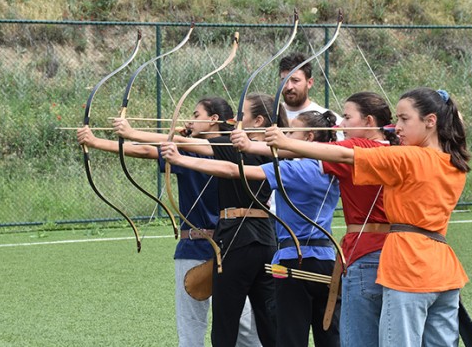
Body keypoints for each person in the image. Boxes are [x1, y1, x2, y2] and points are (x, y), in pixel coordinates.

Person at [260, 87, 470, 347]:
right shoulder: (454, 162)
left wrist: (287, 142)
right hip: (444, 269)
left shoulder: (409, 157)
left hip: (409, 267)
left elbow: (347, 154)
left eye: (405, 119)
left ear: (431, 121)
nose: (397, 127)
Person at [78, 96, 261, 347]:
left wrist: (96, 141)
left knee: (201, 329)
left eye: (196, 115)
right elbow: (151, 148)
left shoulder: (201, 149)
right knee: (243, 329)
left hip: (214, 246)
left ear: (214, 120)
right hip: (228, 245)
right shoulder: (239, 151)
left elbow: (146, 149)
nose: (190, 119)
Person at [161, 110, 342, 347]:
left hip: (293, 260)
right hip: (328, 260)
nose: (284, 136)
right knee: (327, 335)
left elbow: (233, 171)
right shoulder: (336, 168)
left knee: (289, 337)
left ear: (308, 137)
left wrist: (180, 158)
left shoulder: (293, 170)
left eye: (290, 133)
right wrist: (249, 144)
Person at [233, 91, 399, 347]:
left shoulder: (359, 149)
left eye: (347, 117)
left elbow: (316, 151)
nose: (340, 125)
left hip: (364, 251)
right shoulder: (402, 151)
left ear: (368, 121)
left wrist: (258, 145)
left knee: (357, 336)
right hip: (397, 250)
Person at [120, 93, 286, 347]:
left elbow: (183, 145)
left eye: (242, 117)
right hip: (266, 240)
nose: (235, 121)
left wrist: (132, 132)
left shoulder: (233, 147)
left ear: (259, 120)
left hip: (236, 240)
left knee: (225, 323)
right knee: (268, 321)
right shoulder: (277, 151)